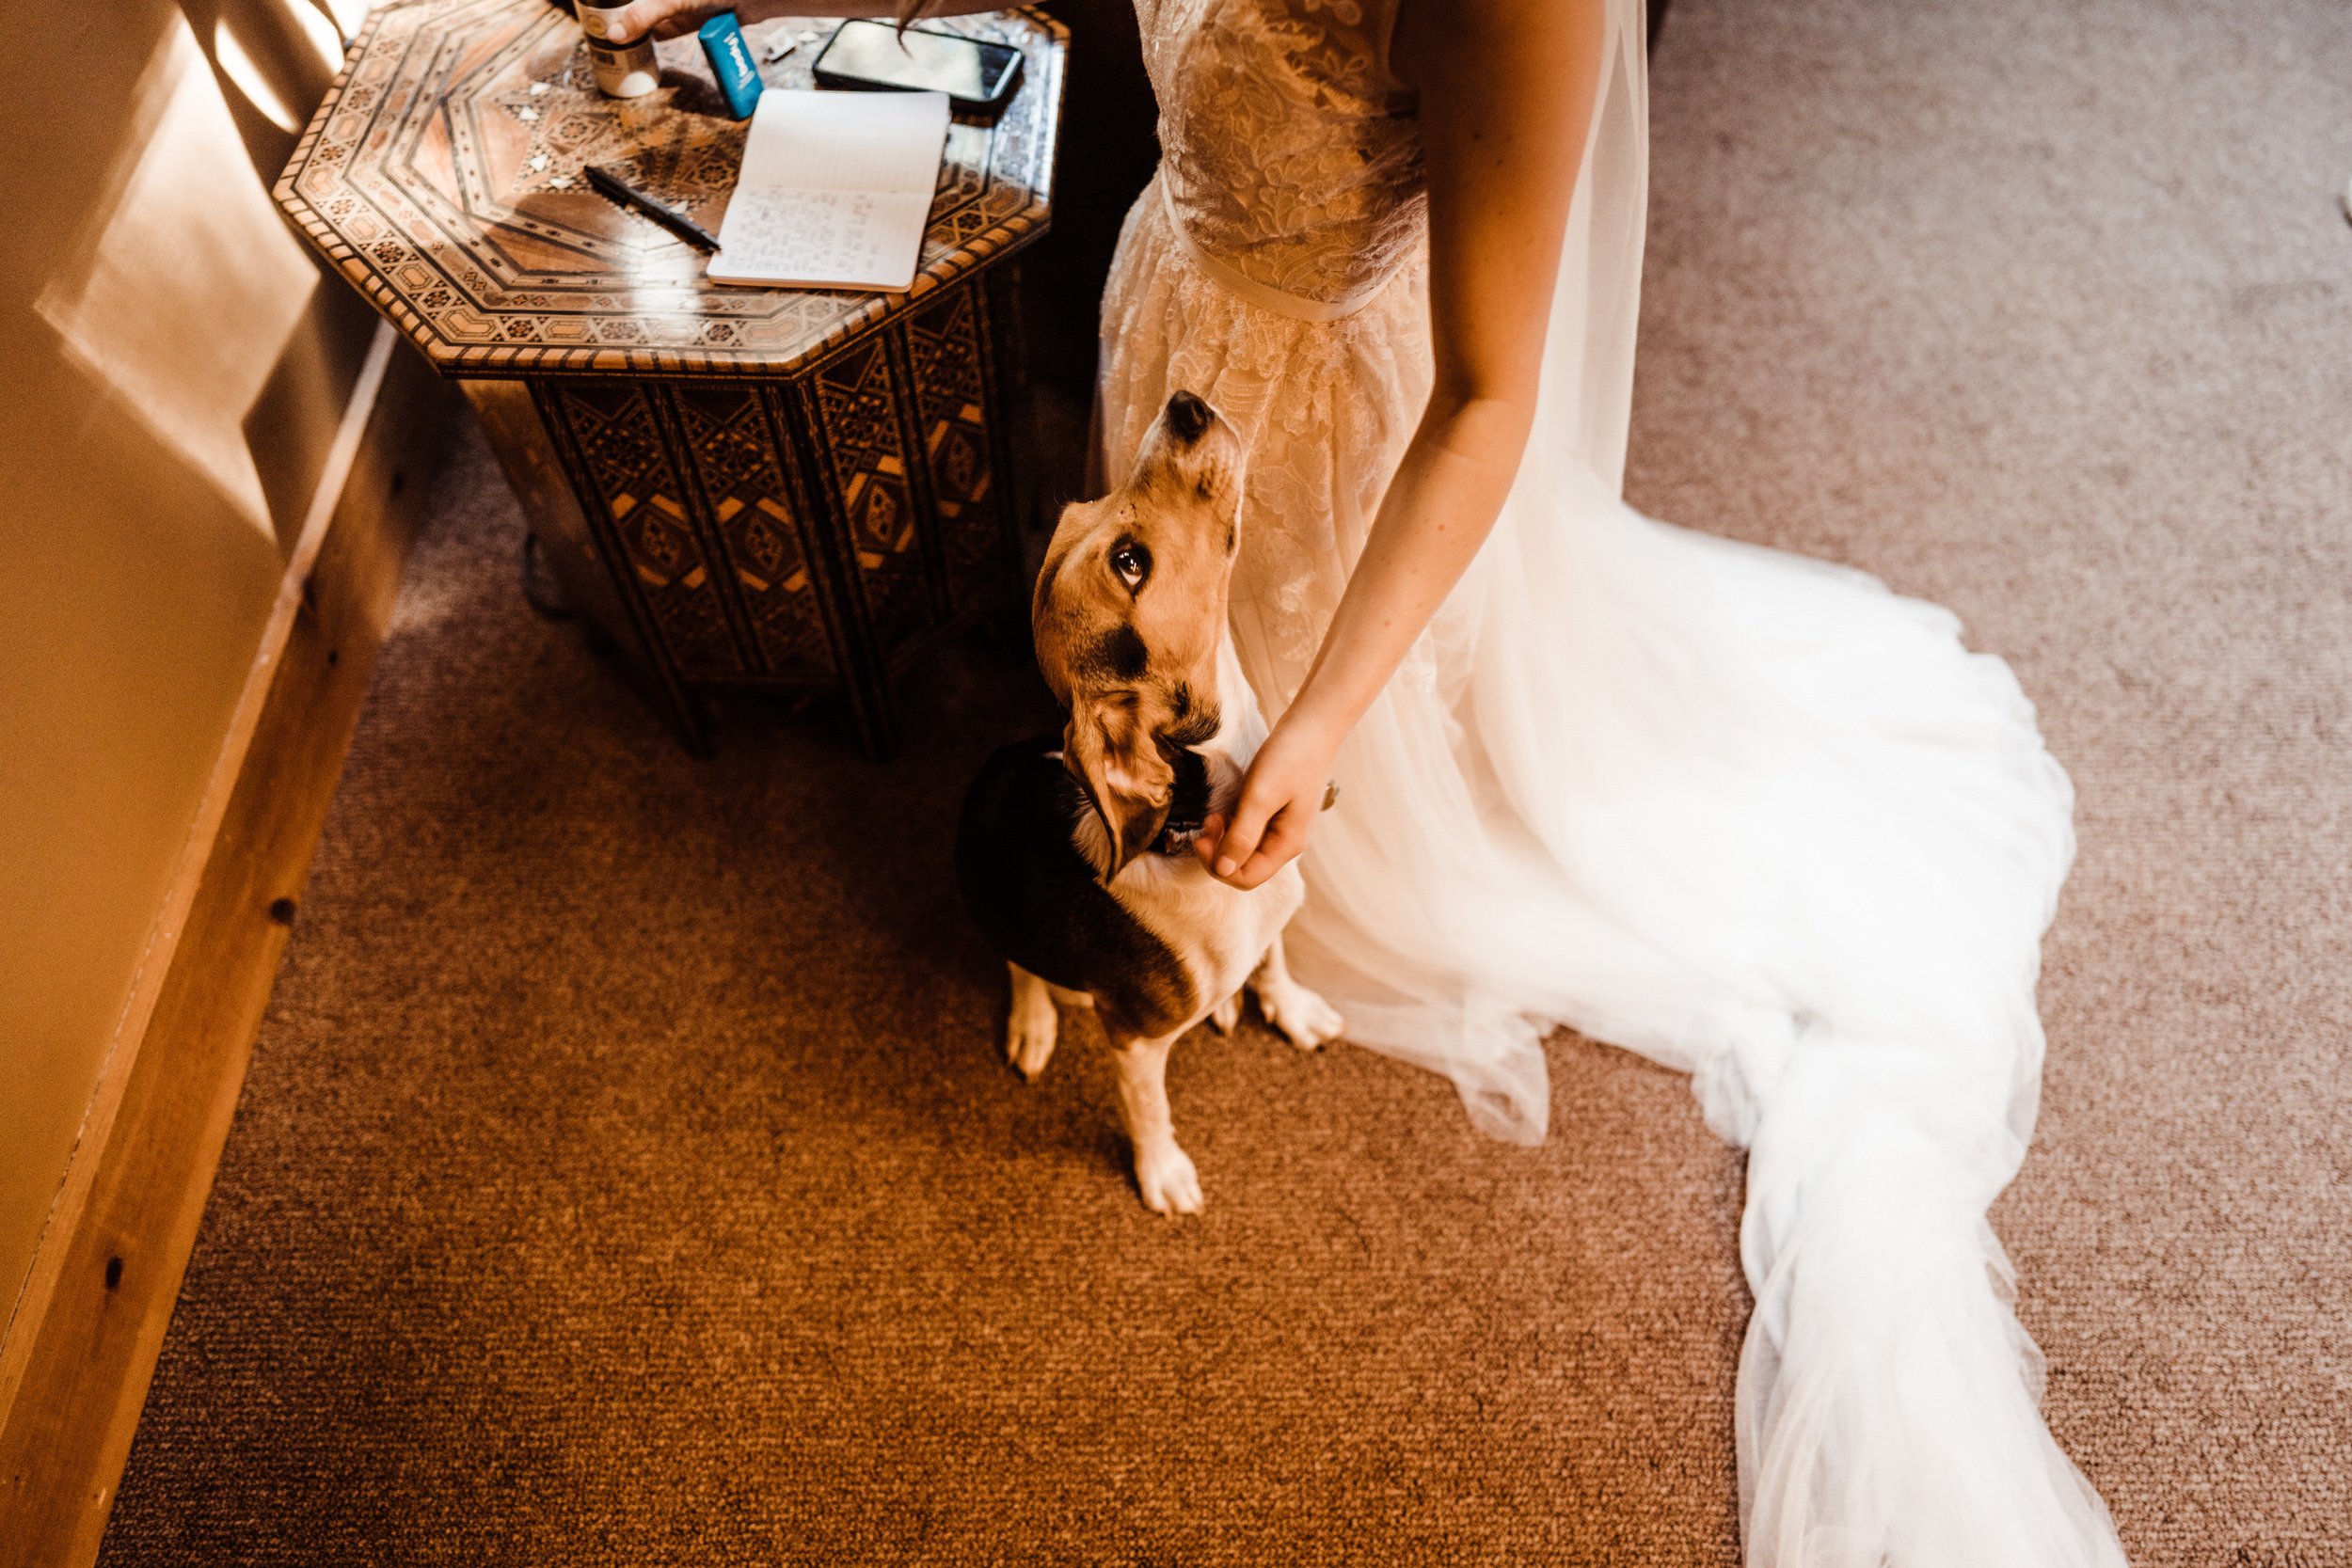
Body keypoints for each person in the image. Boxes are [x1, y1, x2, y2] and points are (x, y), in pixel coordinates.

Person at [619, 1, 2132, 1561]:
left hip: (1337, 406)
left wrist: (1323, 727)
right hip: (1177, 295)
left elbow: (1490, 398)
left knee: (1306, 786)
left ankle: (1297, 877)